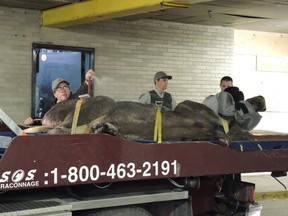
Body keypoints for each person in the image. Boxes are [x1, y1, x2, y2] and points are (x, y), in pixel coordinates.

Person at [24, 69, 95, 126]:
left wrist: (87, 80)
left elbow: (81, 91)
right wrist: (31, 121)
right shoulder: (49, 108)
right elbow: (41, 120)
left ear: (69, 90)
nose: (63, 90)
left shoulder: (74, 101)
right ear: (54, 94)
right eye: (59, 88)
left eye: (65, 87)